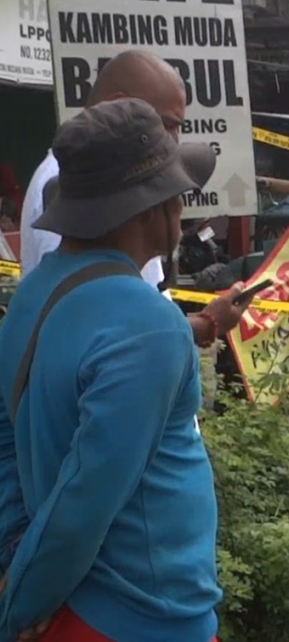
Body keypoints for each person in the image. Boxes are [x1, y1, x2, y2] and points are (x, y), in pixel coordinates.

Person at [0, 98, 231, 642]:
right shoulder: (148, 323)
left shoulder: (32, 296)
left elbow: (7, 442)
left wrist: (15, 556)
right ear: (149, 207)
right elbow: (84, 499)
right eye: (177, 191)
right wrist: (17, 605)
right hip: (140, 615)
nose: (183, 204)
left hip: (72, 602)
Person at [17, 50, 246, 344]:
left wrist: (197, 324)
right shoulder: (72, 187)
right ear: (116, 103)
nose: (173, 141)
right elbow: (98, 333)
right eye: (166, 124)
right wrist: (201, 327)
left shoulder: (94, 185)